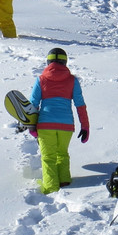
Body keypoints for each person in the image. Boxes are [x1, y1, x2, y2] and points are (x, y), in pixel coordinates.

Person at [29, 48, 90, 194]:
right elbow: (80, 105)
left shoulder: (41, 80)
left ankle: (50, 187)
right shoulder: (72, 81)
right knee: (62, 153)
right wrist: (85, 126)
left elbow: (33, 104)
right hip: (66, 125)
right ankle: (64, 181)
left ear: (48, 62)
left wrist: (31, 125)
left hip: (45, 124)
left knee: (48, 157)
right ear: (65, 62)